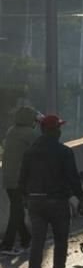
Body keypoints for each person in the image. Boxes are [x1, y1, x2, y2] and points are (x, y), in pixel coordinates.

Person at [20, 114, 83, 268]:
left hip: (35, 202)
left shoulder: (30, 152)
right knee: (60, 241)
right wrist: (80, 198)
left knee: (37, 243)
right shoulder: (64, 152)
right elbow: (73, 178)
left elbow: (22, 180)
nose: (60, 131)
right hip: (58, 202)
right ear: (54, 130)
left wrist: (27, 199)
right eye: (58, 128)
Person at [1, 106, 38, 256]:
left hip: (8, 178)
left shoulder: (11, 131)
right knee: (16, 211)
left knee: (17, 209)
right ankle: (8, 245)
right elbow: (39, 152)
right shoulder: (30, 134)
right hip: (20, 179)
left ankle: (26, 238)